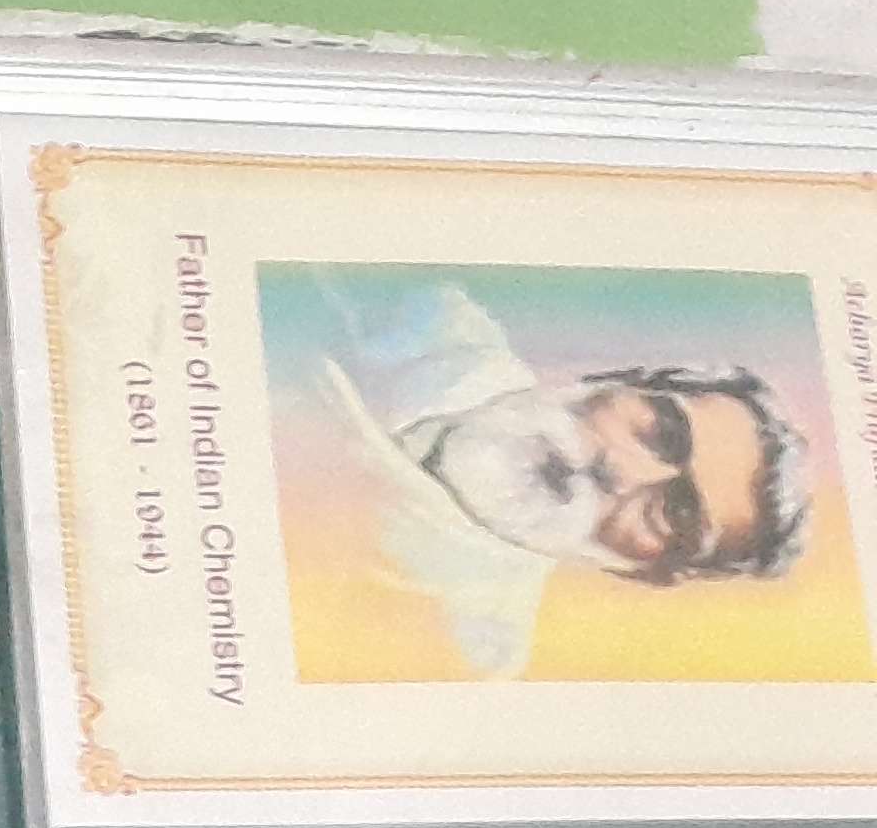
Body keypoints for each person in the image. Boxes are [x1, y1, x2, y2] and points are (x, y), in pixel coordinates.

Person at [305, 274, 813, 674]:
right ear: (610, 380)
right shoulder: (407, 309)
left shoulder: (462, 655)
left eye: (674, 512)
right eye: (661, 432)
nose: (622, 473)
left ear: (645, 573)